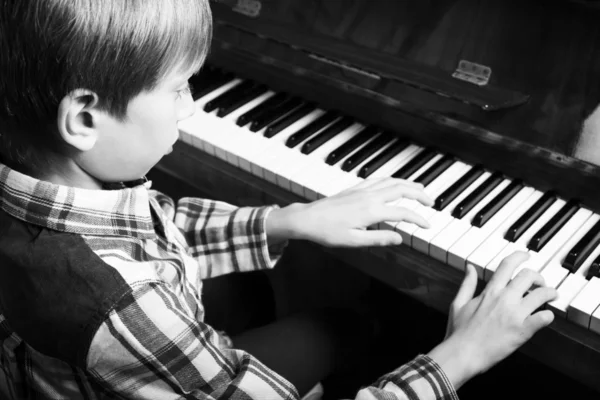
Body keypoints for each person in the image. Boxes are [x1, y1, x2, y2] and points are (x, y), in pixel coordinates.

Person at [0, 1, 558, 399]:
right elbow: (129, 282)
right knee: (349, 329)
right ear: (85, 119)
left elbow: (150, 227)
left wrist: (293, 220)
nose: (191, 108)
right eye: (179, 88)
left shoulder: (43, 185)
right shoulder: (121, 307)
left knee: (247, 290)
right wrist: (462, 356)